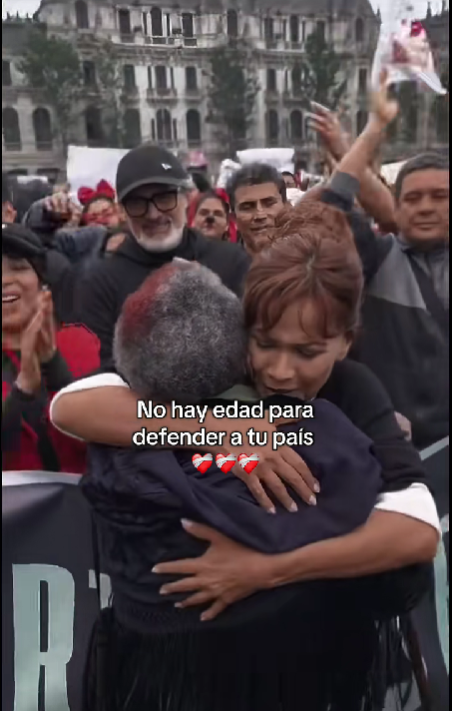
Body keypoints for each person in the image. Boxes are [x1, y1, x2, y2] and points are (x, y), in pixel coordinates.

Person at [52, 219, 439, 711]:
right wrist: (217, 431)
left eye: (307, 352)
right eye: (265, 343)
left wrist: (268, 570)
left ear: (345, 342)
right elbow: (73, 408)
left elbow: (416, 532)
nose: (280, 371)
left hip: (305, 660)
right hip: (179, 666)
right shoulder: (214, 361)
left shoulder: (354, 389)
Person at [76, 144, 251, 365]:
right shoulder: (100, 283)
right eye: (137, 203)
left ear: (186, 198)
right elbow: (98, 372)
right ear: (122, 211)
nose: (153, 214)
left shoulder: (233, 262)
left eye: (165, 198)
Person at [2, 223, 100, 472]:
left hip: (85, 494)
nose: (5, 280)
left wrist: (54, 366)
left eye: (18, 268)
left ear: (42, 283)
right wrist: (22, 392)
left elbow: (103, 439)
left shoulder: (82, 343)